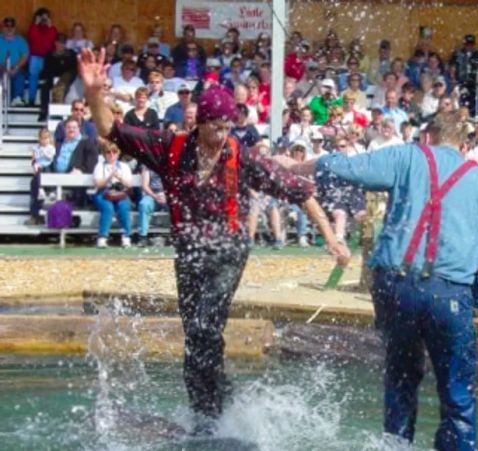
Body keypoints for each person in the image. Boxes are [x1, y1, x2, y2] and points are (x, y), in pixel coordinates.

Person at [79, 47, 350, 433]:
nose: (222, 135)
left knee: (207, 326)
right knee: (195, 340)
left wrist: (332, 239)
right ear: (199, 123)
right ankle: (209, 413)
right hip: (189, 256)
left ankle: (218, 412)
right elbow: (111, 130)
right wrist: (94, 94)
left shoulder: (243, 157)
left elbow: (300, 191)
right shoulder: (169, 149)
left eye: (227, 127)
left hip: (228, 253)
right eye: (215, 128)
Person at [286, 110, 478, 450]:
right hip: (449, 292)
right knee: (457, 395)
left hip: (395, 287)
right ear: (463, 146)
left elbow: (348, 168)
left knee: (401, 380)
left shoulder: (407, 155)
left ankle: (396, 444)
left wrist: (295, 167)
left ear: (426, 137)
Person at [93, 141, 133, 248]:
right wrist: (109, 177)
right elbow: (98, 184)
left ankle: (126, 236)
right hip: (104, 192)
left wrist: (119, 176)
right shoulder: (100, 166)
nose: (111, 154)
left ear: (118, 153)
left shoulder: (124, 166)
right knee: (108, 208)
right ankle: (102, 237)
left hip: (120, 193)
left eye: (114, 152)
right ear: (104, 154)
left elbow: (129, 185)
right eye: (108, 152)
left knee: (123, 206)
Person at [26, 8, 57, 106]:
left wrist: (50, 26)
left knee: (49, 76)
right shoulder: (33, 28)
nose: (44, 20)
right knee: (33, 75)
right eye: (42, 17)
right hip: (35, 56)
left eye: (46, 17)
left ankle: (48, 101)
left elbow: (49, 43)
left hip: (48, 57)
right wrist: (36, 24)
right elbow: (34, 40)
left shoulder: (52, 29)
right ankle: (31, 100)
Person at [0, 16, 30, 105]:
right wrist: (2, 67)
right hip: (1, 67)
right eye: (7, 26)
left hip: (15, 67)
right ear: (2, 27)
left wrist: (16, 67)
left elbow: (25, 55)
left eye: (11, 26)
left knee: (20, 76)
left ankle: (17, 98)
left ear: (15, 28)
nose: (9, 29)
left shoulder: (21, 41)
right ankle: (1, 99)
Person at [137, 165, 167, 247]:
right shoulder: (147, 166)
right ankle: (143, 237)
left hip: (168, 195)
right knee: (144, 204)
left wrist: (166, 196)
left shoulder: (171, 164)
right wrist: (155, 196)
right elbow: (145, 185)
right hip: (151, 195)